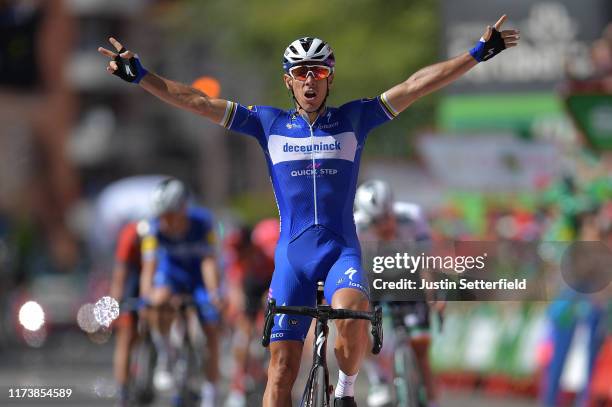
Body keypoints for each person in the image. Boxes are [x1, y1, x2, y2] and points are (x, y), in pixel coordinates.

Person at [98, 16, 519, 406]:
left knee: (352, 315)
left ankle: (347, 389)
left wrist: (476, 54)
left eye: (318, 71)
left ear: (329, 78)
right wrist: (142, 77)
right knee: (281, 371)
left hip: (341, 251)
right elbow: (195, 101)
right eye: (301, 73)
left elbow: (417, 84)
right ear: (289, 81)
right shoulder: (267, 124)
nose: (310, 80)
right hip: (293, 258)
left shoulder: (356, 118)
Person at [354, 180, 441, 407]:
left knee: (421, 345)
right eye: (376, 221)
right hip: (374, 279)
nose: (384, 226)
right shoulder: (356, 227)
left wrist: (435, 295)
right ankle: (378, 379)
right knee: (356, 327)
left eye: (387, 217)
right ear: (365, 219)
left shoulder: (413, 216)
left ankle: (431, 401)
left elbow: (426, 262)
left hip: (408, 277)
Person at [139, 178, 222, 407]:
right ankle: (166, 357)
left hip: (199, 278)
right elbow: (149, 268)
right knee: (157, 301)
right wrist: (147, 297)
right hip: (171, 276)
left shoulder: (204, 223)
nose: (164, 221)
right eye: (161, 216)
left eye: (169, 215)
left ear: (183, 209)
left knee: (211, 330)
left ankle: (210, 393)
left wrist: (214, 293)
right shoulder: (153, 228)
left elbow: (208, 261)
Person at [224, 220, 278, 407]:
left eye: (242, 251)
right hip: (251, 284)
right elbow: (235, 286)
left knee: (274, 328)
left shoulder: (268, 247)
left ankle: (272, 373)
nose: (238, 255)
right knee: (242, 333)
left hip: (273, 279)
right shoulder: (236, 256)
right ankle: (237, 386)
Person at [109, 220, 146, 407]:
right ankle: (123, 391)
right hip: (133, 275)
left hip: (154, 272)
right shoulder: (129, 236)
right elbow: (120, 272)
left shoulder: (159, 235)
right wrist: (116, 302)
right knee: (126, 336)